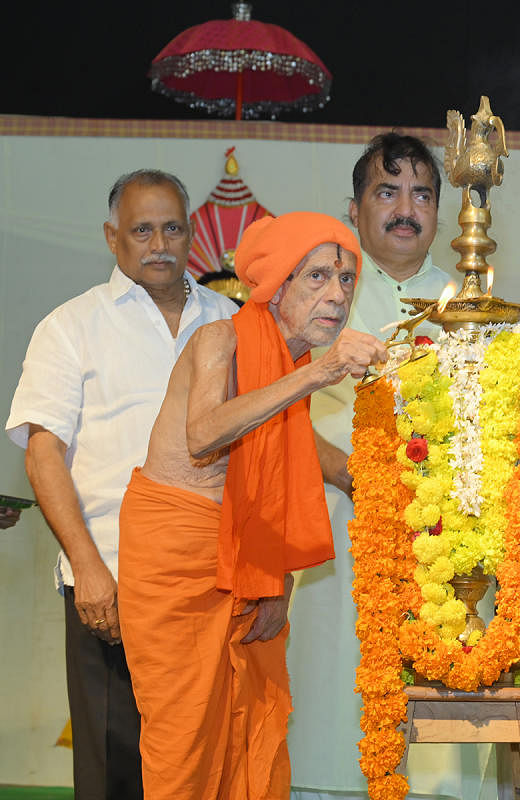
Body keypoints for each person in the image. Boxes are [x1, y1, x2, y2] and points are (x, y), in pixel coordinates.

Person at [117, 211, 386, 800]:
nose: (336, 296)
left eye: (346, 281)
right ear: (278, 286)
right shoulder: (223, 338)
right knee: (183, 741)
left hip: (245, 560)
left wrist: (278, 581)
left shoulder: (288, 367)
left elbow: (276, 482)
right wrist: (321, 374)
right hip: (176, 554)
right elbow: (204, 434)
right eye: (316, 278)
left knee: (250, 731)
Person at [5, 169, 238, 800]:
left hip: (214, 588)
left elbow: (257, 457)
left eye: (172, 227)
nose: (159, 242)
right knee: (115, 774)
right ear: (113, 237)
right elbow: (44, 455)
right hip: (112, 579)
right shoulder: (71, 326)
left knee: (210, 766)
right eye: (142, 229)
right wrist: (88, 568)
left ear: (191, 232)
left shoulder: (233, 322)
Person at [286, 134, 474, 800]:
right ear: (354, 206)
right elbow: (270, 410)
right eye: (386, 192)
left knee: (433, 741)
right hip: (331, 525)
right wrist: (343, 470)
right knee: (332, 698)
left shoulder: (466, 302)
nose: (405, 208)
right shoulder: (315, 294)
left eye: (421, 194)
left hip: (437, 542)